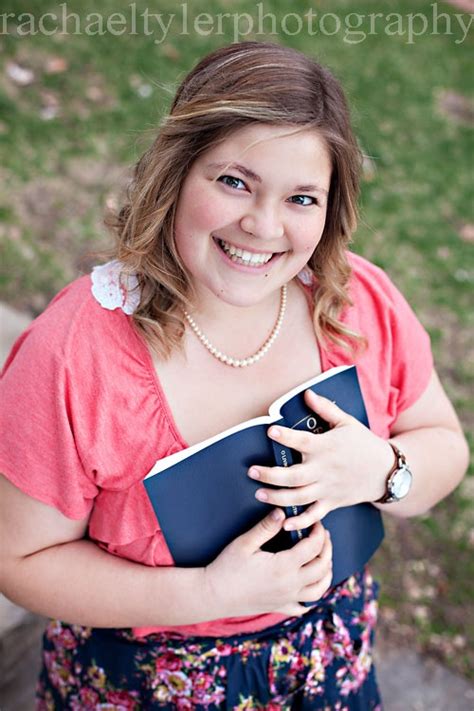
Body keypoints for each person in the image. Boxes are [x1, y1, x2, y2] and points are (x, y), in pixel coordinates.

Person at [0, 41, 468, 710]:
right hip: (142, 683)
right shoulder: (76, 352)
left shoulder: (357, 303)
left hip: (329, 663)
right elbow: (19, 560)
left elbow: (445, 445)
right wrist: (208, 595)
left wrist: (384, 470)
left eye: (302, 197)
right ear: (176, 172)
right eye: (234, 181)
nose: (264, 225)